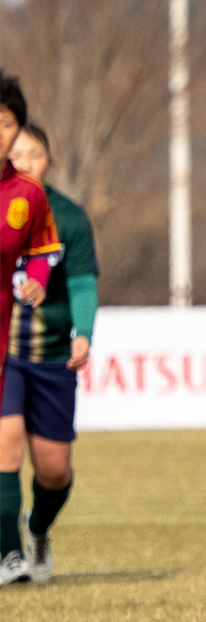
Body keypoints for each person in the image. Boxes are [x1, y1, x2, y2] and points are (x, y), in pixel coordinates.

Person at [0, 122, 96, 586]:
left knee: (54, 471)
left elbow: (80, 282)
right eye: (15, 153)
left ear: (49, 158)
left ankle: (36, 529)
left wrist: (85, 333)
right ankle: (9, 553)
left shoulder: (69, 217)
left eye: (34, 153)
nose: (24, 162)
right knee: (6, 444)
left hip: (53, 354)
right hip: (5, 352)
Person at [0, 72, 63, 587]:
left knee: (9, 447)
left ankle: (9, 554)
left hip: (6, 341)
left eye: (7, 124)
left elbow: (42, 248)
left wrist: (38, 281)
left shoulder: (28, 196)